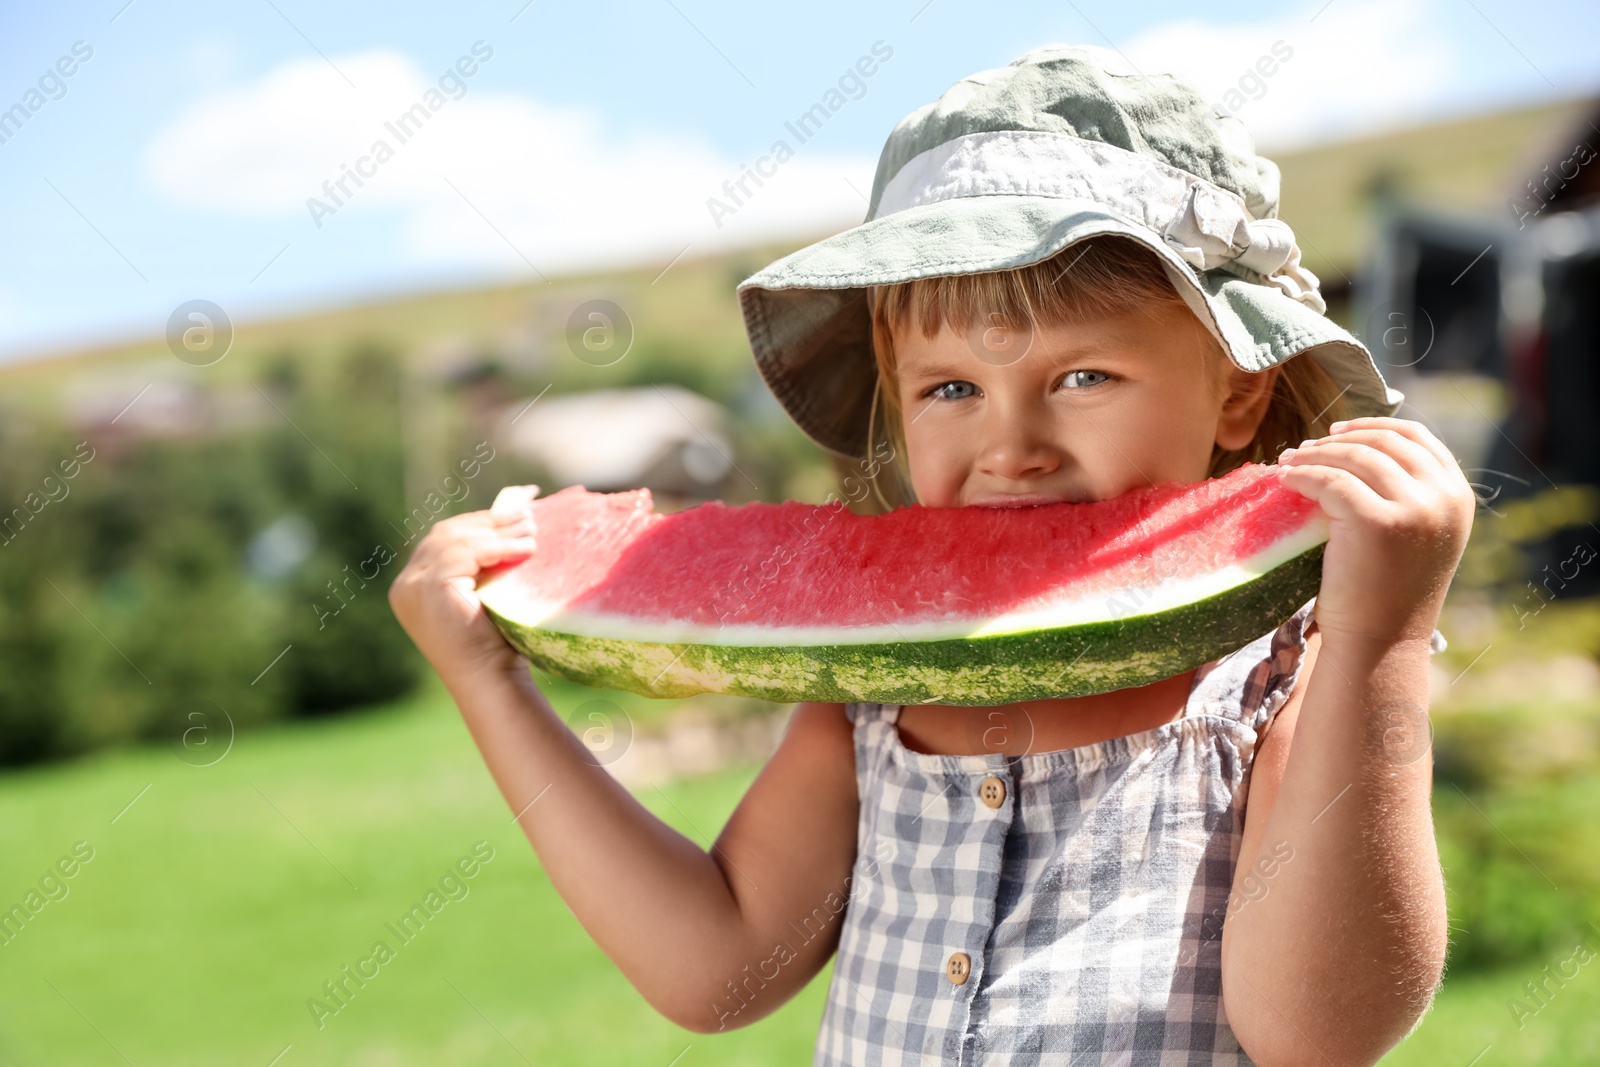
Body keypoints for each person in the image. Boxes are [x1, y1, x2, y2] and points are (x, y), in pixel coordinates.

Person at [388, 44, 1476, 1066]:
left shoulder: (1285, 681)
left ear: (1238, 388)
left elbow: (1316, 1030)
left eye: (1082, 376)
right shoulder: (872, 696)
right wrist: (492, 685)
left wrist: (1378, 643)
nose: (1010, 446)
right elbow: (712, 965)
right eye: (949, 388)